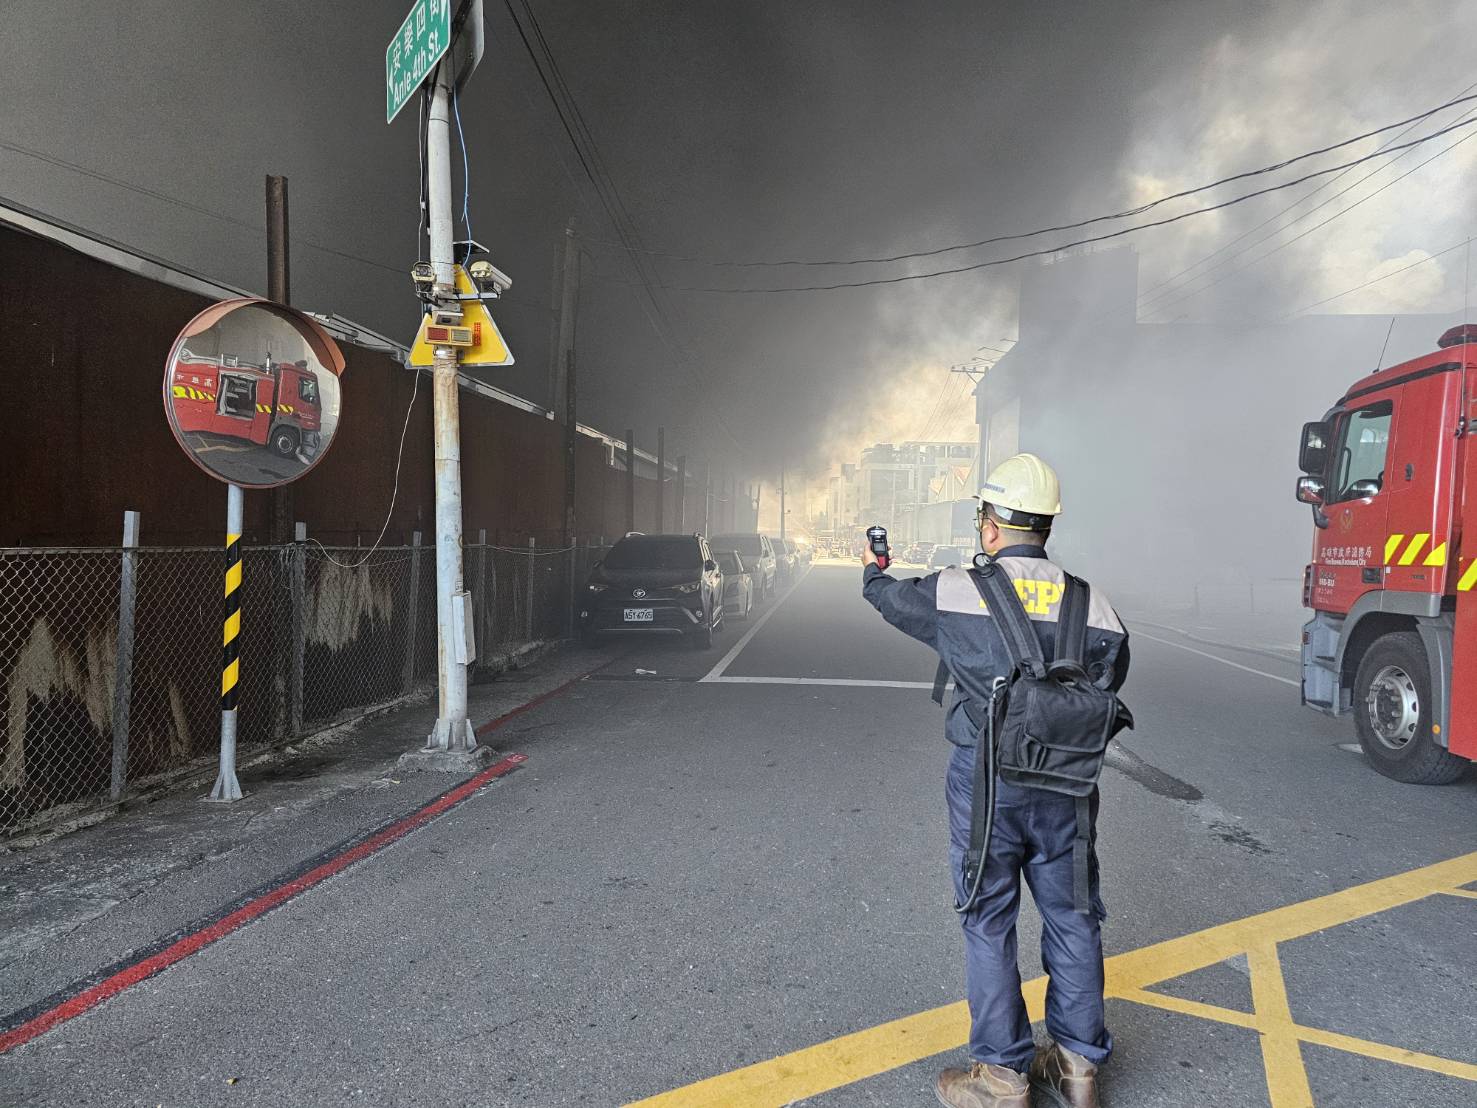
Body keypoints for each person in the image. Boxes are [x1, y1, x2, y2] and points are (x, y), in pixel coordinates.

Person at [861, 453, 1130, 1108]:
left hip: (985, 783)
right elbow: (1111, 672)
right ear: (1043, 527)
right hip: (1066, 785)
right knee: (1072, 915)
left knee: (987, 916)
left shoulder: (957, 590)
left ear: (990, 528)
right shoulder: (1091, 600)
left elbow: (893, 601)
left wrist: (874, 571)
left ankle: (1003, 1076)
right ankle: (1075, 1067)